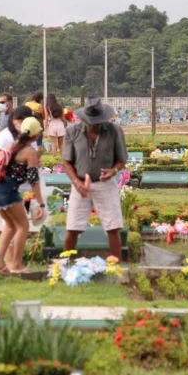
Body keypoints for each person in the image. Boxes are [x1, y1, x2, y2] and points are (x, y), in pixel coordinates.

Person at [61, 97, 126, 260]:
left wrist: (113, 170)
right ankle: (66, 263)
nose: (95, 125)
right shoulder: (72, 131)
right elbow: (66, 161)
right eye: (91, 121)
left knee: (113, 227)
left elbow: (122, 160)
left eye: (98, 121)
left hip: (105, 183)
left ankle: (115, 264)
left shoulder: (115, 131)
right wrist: (76, 182)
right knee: (73, 227)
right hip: (80, 183)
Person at [0, 117, 45, 274]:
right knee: (23, 226)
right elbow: (34, 180)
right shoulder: (30, 152)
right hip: (7, 191)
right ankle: (16, 264)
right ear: (35, 136)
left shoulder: (12, 146)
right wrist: (40, 204)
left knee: (11, 225)